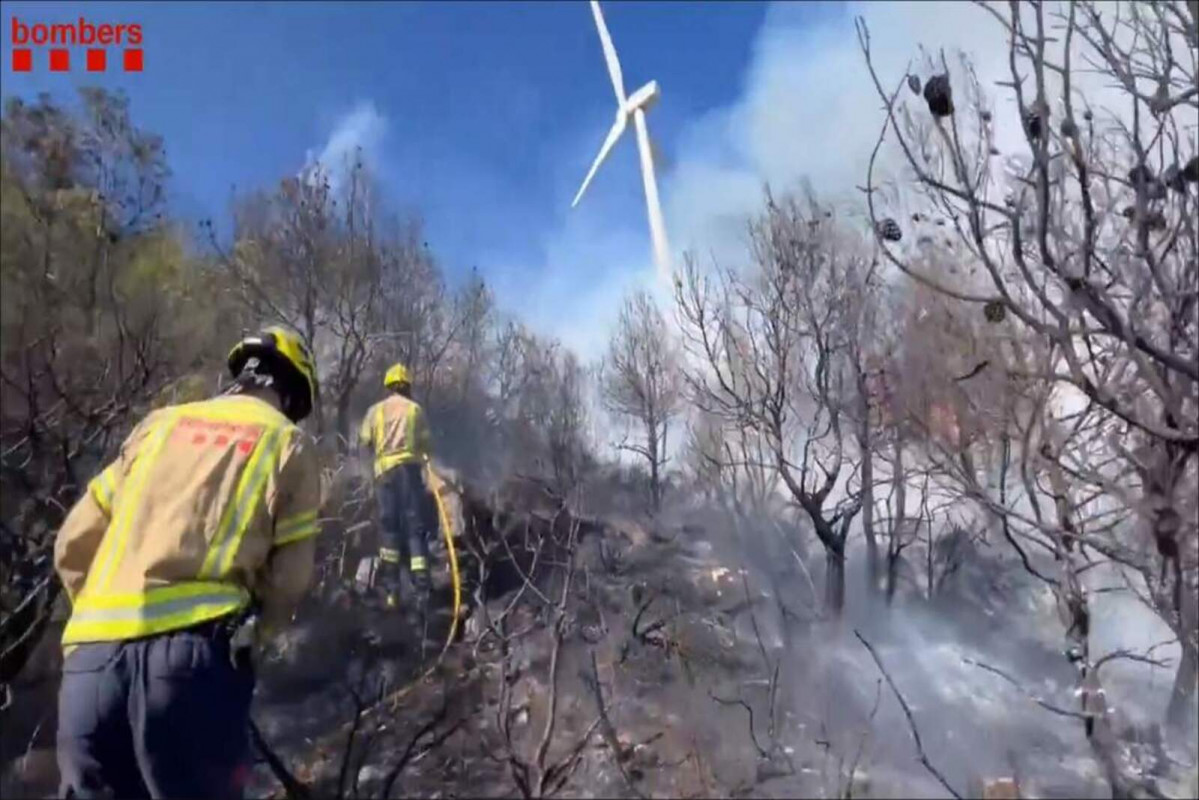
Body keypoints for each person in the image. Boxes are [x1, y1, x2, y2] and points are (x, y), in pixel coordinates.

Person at [54, 326, 323, 799]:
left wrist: (100, 627)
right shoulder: (288, 444)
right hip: (191, 666)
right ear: (290, 390)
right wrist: (256, 638)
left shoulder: (158, 426)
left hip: (89, 675)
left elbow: (72, 544)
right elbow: (289, 580)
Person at [358, 362, 434, 614]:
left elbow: (365, 443)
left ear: (388, 386)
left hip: (384, 476)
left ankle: (392, 592)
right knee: (415, 529)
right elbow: (426, 446)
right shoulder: (415, 410)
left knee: (389, 529)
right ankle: (422, 591)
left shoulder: (374, 411)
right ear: (408, 386)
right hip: (410, 474)